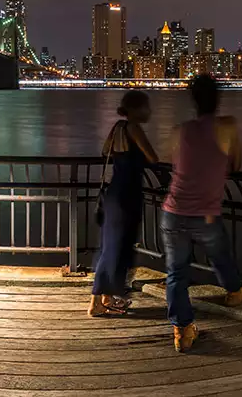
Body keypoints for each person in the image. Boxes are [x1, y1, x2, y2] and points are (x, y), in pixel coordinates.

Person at [161, 75, 242, 352]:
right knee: (220, 253)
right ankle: (235, 291)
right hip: (206, 214)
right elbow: (235, 164)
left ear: (194, 101)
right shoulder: (227, 127)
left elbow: (172, 160)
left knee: (176, 274)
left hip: (173, 211)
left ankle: (182, 330)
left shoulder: (180, 130)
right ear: (218, 99)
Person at [89, 91, 159, 317]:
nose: (149, 111)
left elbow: (104, 152)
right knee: (114, 250)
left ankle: (107, 298)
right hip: (127, 196)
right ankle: (96, 302)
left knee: (111, 247)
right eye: (146, 107)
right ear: (136, 109)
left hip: (114, 193)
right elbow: (152, 157)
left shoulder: (117, 128)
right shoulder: (133, 128)